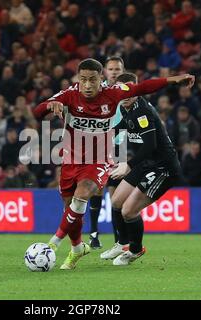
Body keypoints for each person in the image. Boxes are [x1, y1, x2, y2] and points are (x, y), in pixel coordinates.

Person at [32, 58, 194, 269]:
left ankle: (53, 245)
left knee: (95, 202)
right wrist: (48, 105)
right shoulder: (70, 95)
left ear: (102, 79)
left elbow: (144, 88)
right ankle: (83, 247)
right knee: (89, 206)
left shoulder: (120, 97)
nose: (88, 85)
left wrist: (174, 80)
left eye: (92, 80)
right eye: (83, 80)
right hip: (72, 160)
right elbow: (37, 112)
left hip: (116, 162)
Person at [102, 72, 183, 265]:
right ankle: (122, 244)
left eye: (132, 89)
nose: (128, 93)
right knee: (116, 202)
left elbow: (150, 146)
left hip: (163, 168)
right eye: (124, 90)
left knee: (128, 211)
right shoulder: (126, 109)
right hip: (146, 164)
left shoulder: (142, 111)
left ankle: (135, 250)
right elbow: (118, 129)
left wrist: (127, 165)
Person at [89, 56, 125, 249]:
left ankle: (118, 240)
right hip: (100, 144)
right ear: (104, 72)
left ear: (122, 70)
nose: (114, 72)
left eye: (117, 69)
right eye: (110, 69)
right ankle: (93, 234)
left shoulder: (127, 91)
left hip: (121, 146)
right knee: (97, 189)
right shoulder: (97, 91)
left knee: (115, 194)